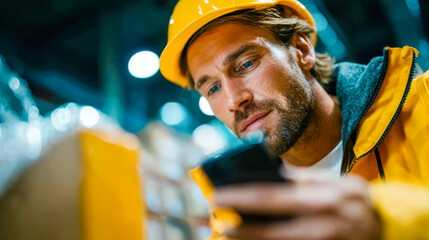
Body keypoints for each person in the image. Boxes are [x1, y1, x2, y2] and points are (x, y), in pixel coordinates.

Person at [159, 0, 429, 239]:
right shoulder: (237, 221)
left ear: (301, 50)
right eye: (213, 88)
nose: (233, 101)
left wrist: (387, 221)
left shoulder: (423, 105)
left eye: (246, 64)